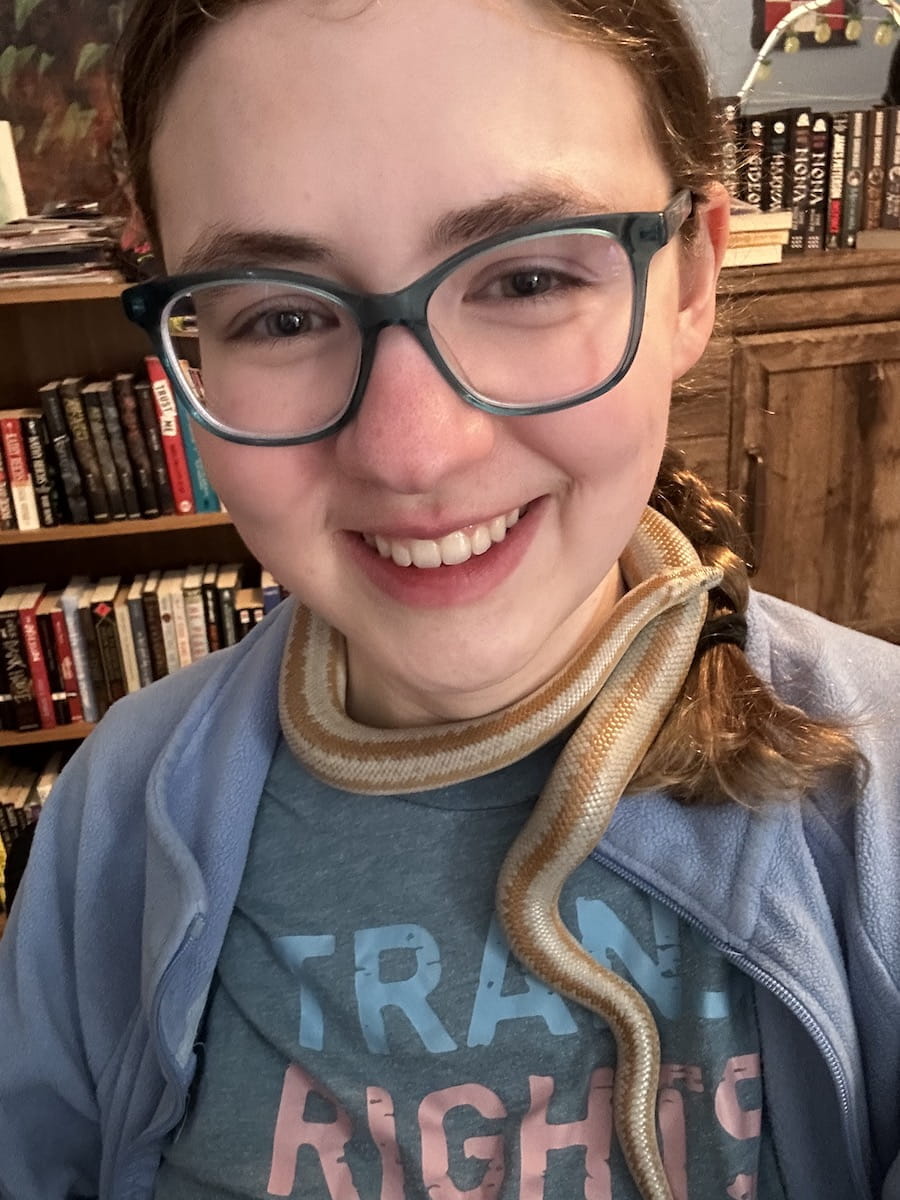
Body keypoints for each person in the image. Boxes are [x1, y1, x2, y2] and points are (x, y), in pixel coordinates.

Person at [1, 0, 899, 1197]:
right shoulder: (116, 816)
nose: (412, 451)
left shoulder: (879, 799)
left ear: (690, 279)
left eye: (526, 277)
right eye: (280, 313)